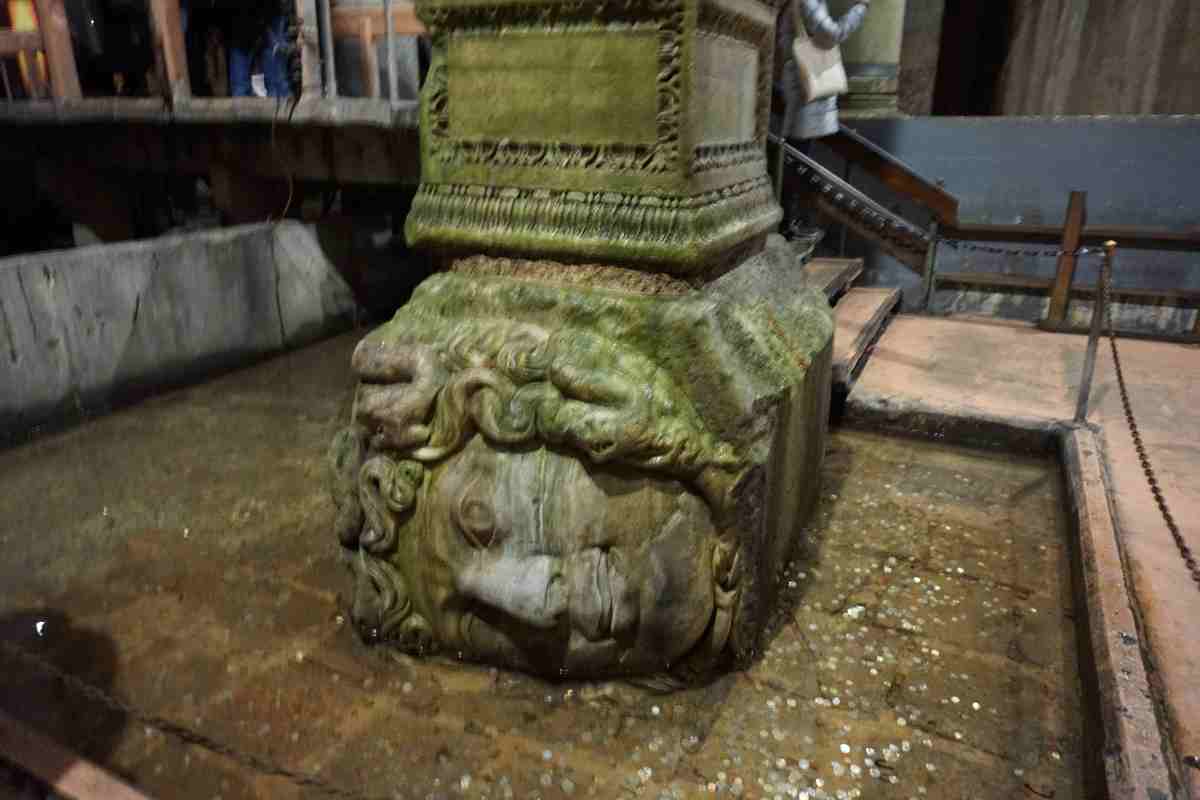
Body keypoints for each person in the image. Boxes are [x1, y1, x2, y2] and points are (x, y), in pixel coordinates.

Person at [774, 0, 870, 241]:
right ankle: (787, 225)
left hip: (801, 84)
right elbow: (832, 34)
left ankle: (789, 222)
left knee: (798, 158)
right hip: (805, 87)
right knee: (797, 159)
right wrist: (860, 8)